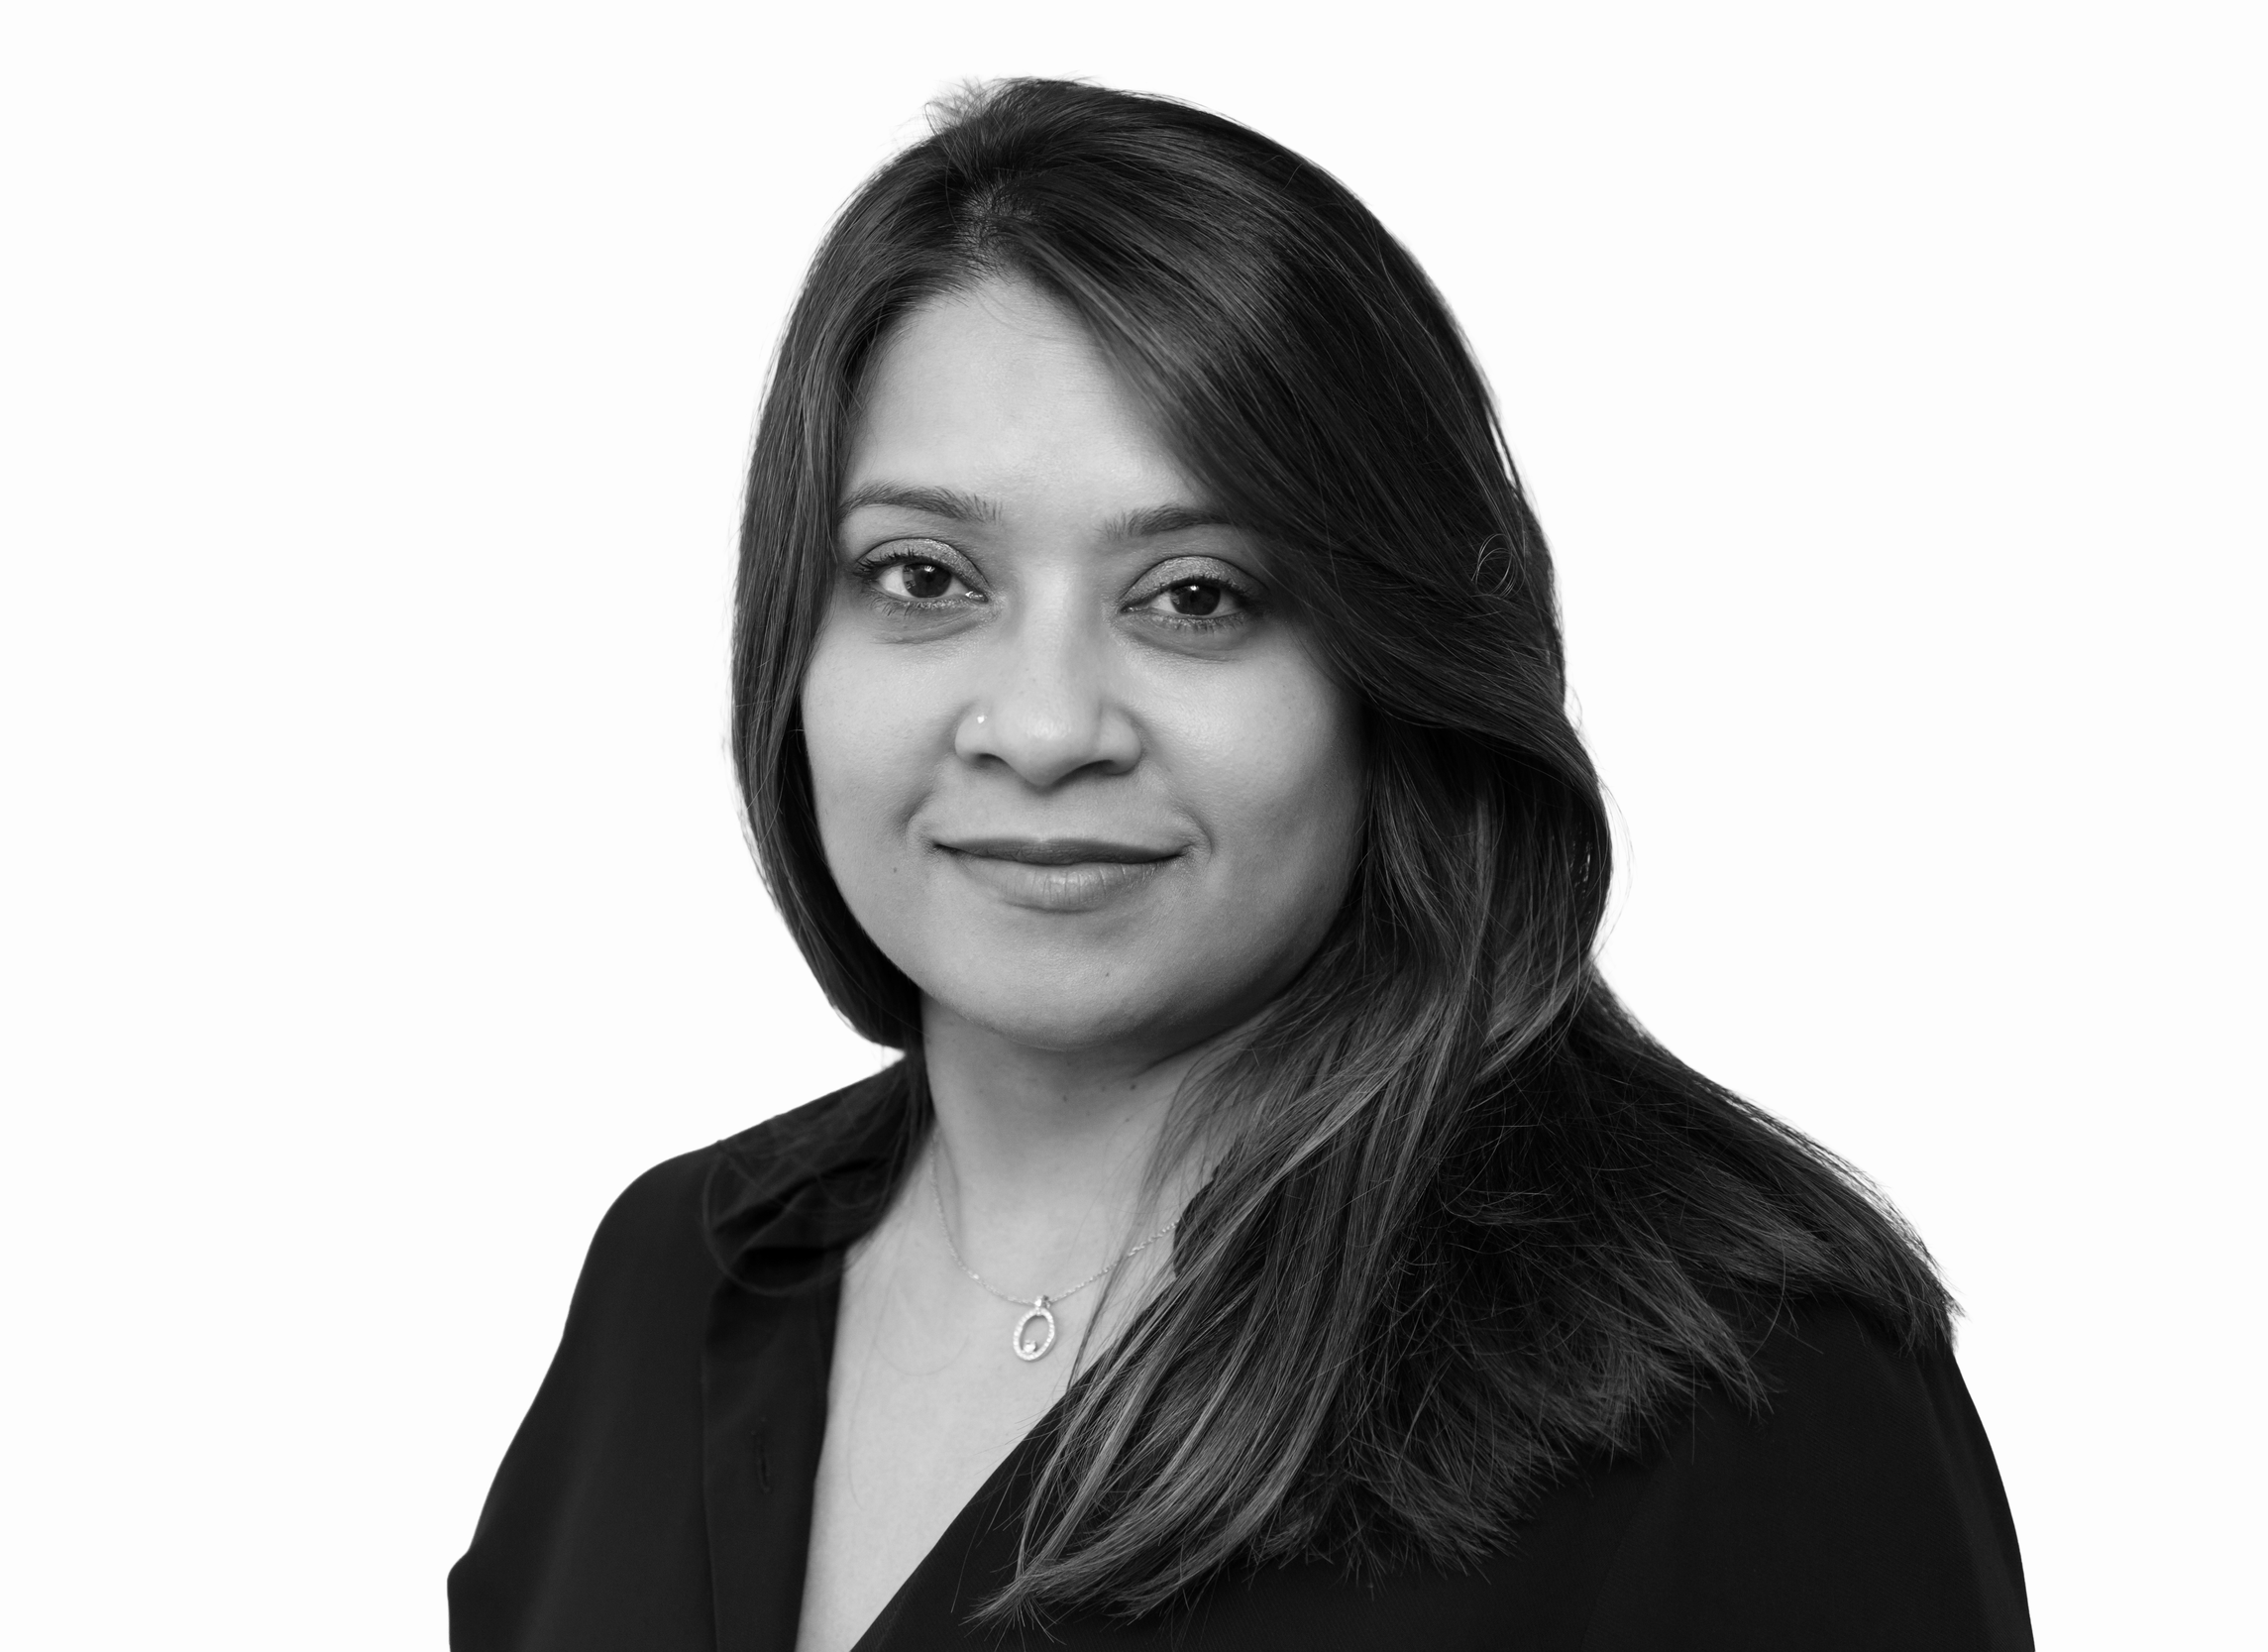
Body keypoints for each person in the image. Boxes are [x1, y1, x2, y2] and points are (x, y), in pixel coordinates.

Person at [448, 78, 2033, 1651]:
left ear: (1388, 667)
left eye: (1195, 595)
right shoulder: (679, 1273)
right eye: (923, 575)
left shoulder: (1725, 1391)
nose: (1047, 725)